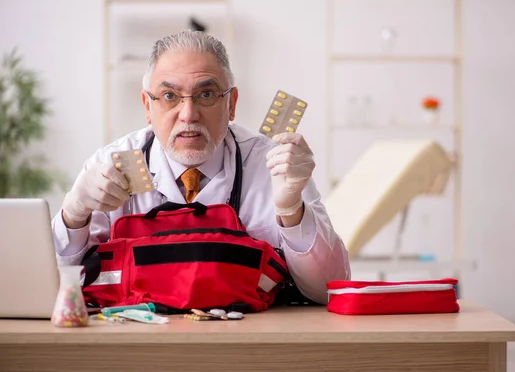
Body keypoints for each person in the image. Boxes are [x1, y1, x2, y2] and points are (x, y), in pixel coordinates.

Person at [51, 30, 350, 304]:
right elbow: (54, 290)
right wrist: (75, 212)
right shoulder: (110, 166)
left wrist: (290, 210)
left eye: (206, 94)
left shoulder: (275, 165)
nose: (188, 114)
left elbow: (330, 288)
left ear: (231, 103)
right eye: (169, 96)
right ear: (147, 106)